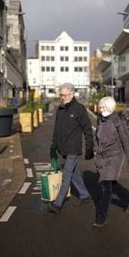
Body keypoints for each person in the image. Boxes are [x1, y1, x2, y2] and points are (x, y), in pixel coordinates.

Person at [48, 83, 94, 214]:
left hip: (73, 148)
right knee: (74, 173)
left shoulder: (79, 109)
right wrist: (53, 146)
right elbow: (56, 130)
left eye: (64, 95)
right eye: (60, 95)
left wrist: (89, 148)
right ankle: (85, 195)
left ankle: (57, 204)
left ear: (72, 94)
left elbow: (87, 129)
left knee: (66, 175)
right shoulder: (60, 109)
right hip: (63, 148)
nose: (61, 97)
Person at [93, 96, 129, 227]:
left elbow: (126, 141)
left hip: (115, 155)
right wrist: (95, 149)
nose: (100, 109)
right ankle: (128, 198)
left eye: (103, 107)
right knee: (112, 183)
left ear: (110, 108)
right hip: (103, 155)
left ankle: (101, 217)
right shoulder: (100, 119)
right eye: (100, 107)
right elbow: (96, 137)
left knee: (105, 185)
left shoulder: (118, 121)